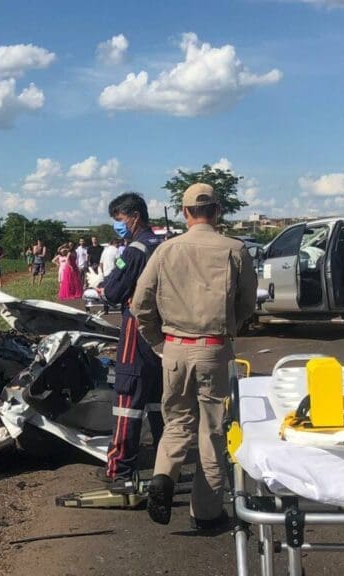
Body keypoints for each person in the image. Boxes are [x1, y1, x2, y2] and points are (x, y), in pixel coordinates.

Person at [131, 183, 257, 530]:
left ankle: (163, 475)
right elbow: (248, 302)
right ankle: (206, 512)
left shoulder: (165, 250)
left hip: (174, 346)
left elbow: (140, 304)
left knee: (177, 422)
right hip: (214, 347)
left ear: (185, 212)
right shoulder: (235, 249)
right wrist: (231, 326)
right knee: (212, 431)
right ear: (218, 211)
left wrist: (159, 343)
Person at [100, 192, 164, 495]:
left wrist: (103, 288)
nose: (118, 225)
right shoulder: (162, 246)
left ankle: (120, 467)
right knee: (158, 395)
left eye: (120, 219)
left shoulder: (135, 250)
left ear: (135, 216)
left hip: (136, 325)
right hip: (162, 329)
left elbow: (113, 292)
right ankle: (166, 464)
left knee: (128, 393)